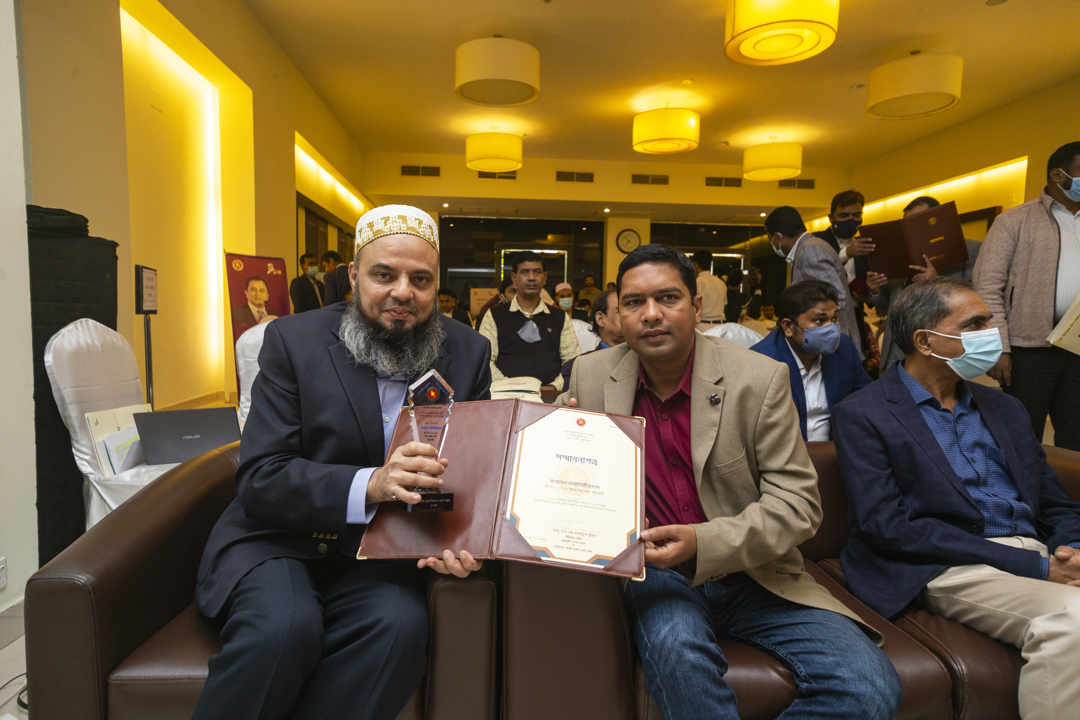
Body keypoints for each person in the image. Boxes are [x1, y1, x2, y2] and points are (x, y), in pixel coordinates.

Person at [558, 244, 898, 718]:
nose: (651, 314)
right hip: (656, 576)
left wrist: (702, 542)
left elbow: (799, 505)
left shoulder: (759, 379)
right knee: (679, 656)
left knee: (868, 686)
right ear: (618, 315)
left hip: (755, 573)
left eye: (668, 298)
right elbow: (563, 475)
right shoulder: (591, 374)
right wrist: (554, 442)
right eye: (634, 303)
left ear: (696, 307)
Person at [194, 204, 492, 720]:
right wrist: (373, 483)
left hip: (379, 553)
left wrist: (469, 539)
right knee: (284, 628)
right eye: (384, 275)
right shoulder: (293, 340)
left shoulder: (468, 351)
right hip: (276, 538)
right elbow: (262, 476)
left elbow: (474, 471)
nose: (403, 292)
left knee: (399, 628)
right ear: (353, 277)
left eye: (421, 279)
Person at [832, 277, 1080, 720]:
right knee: (1072, 617)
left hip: (1036, 551)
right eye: (975, 324)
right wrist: (1040, 567)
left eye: (990, 321)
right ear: (925, 341)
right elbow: (888, 526)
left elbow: (1054, 502)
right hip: (948, 562)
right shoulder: (863, 413)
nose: (992, 333)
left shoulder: (1005, 407)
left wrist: (1071, 550)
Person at [974, 141, 1080, 451]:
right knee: (1021, 441)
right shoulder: (1014, 221)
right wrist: (998, 347)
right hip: (1027, 351)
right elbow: (988, 287)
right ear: (1058, 176)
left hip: (1077, 349)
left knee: (1075, 443)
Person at [751, 280, 870, 441]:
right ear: (788, 327)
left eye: (834, 319)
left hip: (836, 449)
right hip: (783, 451)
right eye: (819, 320)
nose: (831, 329)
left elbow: (864, 398)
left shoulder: (843, 348)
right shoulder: (761, 361)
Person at [875, 195, 982, 371]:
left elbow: (977, 301)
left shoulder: (970, 250)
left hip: (940, 349)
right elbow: (883, 306)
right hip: (895, 350)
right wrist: (875, 289)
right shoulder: (897, 254)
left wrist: (936, 282)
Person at [765, 205, 864, 359]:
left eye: (771, 239)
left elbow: (835, 299)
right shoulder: (811, 246)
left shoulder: (810, 251)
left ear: (778, 237)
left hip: (831, 345)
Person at [479, 252, 580, 391]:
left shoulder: (560, 317)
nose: (531, 278)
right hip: (506, 396)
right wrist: (510, 387)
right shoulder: (494, 315)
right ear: (514, 278)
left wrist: (553, 387)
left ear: (544, 278)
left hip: (552, 397)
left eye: (537, 272)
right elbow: (485, 360)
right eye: (525, 272)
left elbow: (573, 362)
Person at [559, 287, 624, 386]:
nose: (629, 315)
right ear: (600, 319)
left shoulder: (645, 362)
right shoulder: (577, 369)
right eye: (620, 310)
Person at [691, 250, 726, 326]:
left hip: (702, 325)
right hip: (719, 326)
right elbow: (724, 305)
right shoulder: (721, 283)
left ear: (695, 264)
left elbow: (694, 305)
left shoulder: (698, 282)